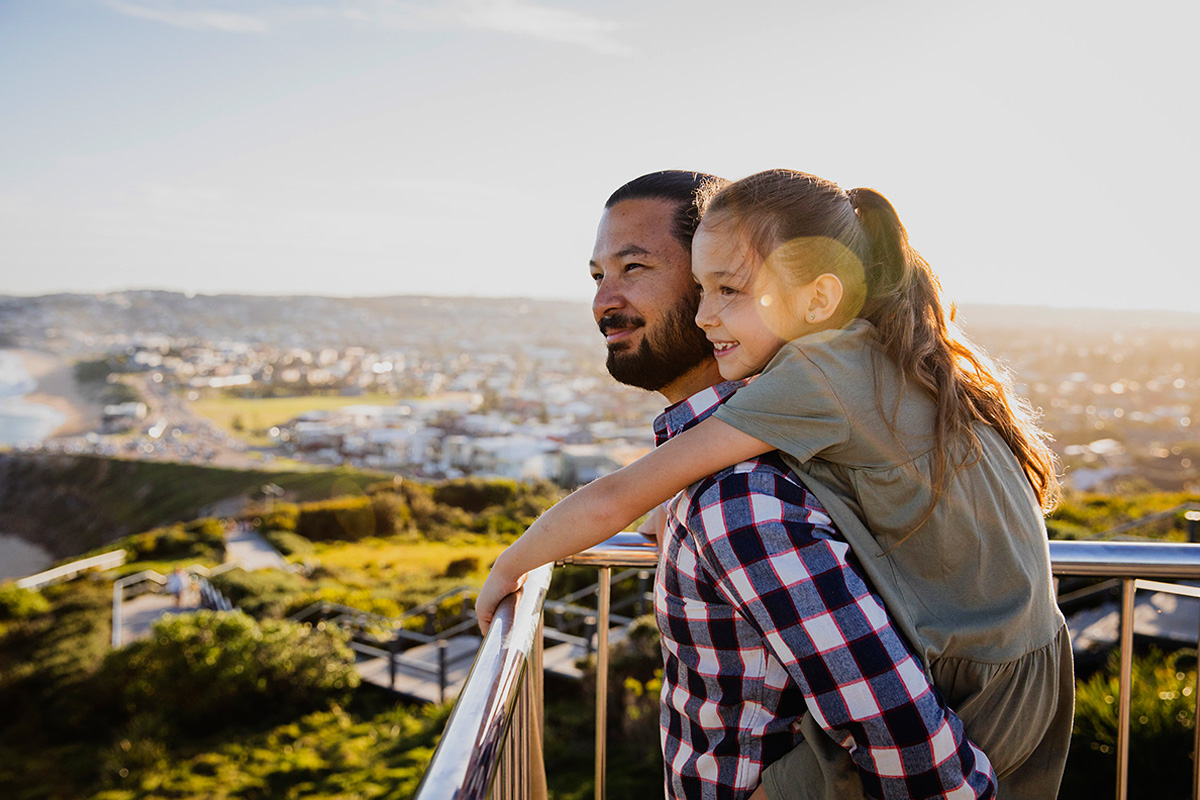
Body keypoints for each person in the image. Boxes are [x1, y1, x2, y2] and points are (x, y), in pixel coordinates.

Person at [480, 171, 998, 799]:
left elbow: (901, 735)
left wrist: (509, 567)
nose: (603, 301)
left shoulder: (739, 499)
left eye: (635, 268)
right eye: (597, 276)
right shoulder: (755, 453)